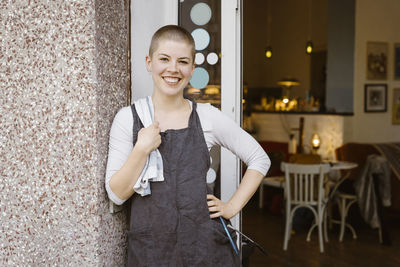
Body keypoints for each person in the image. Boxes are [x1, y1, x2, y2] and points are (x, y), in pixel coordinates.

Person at [105, 25, 270, 266]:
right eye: (164, 59)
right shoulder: (128, 119)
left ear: (192, 69)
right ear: (149, 62)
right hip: (151, 252)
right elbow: (116, 195)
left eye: (183, 61)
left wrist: (231, 207)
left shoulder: (207, 117)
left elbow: (260, 159)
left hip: (205, 249)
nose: (173, 69)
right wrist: (141, 149)